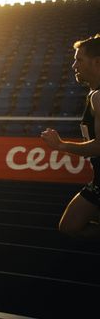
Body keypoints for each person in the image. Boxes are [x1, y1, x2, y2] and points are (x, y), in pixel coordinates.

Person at [41, 34, 100, 239]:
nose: (74, 65)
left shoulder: (99, 96)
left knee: (70, 225)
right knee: (70, 225)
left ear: (97, 62)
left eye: (79, 60)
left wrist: (61, 146)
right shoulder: (94, 94)